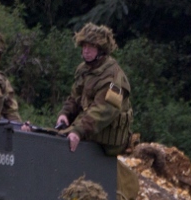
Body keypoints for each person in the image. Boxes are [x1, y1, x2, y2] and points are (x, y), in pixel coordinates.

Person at [56, 23, 133, 155]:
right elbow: (75, 97)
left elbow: (103, 111)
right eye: (84, 46)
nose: (86, 50)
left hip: (107, 142)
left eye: (92, 47)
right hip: (90, 130)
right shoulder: (84, 69)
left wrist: (78, 130)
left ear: (102, 49)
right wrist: (64, 114)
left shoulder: (114, 77)